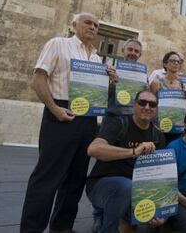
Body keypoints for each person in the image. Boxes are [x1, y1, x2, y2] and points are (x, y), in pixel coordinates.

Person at [20, 12, 117, 233]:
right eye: (88, 23)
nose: (93, 27)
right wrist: (54, 109)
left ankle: (62, 227)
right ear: (74, 25)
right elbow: (38, 78)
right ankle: (31, 229)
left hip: (88, 119)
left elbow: (100, 95)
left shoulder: (96, 58)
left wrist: (111, 82)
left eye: (96, 25)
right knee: (47, 177)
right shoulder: (58, 44)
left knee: (75, 178)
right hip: (60, 113)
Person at [85, 90, 166, 233]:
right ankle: (105, 223)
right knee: (125, 187)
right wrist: (133, 152)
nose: (147, 107)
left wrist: (159, 211)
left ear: (156, 109)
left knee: (148, 224)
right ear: (134, 105)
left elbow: (158, 178)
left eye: (152, 104)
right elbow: (93, 149)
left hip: (135, 193)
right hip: (102, 186)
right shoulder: (119, 123)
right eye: (142, 102)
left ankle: (118, 217)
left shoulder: (157, 135)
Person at [149, 51, 186, 144]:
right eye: (172, 61)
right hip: (159, 127)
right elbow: (149, 103)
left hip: (176, 128)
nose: (176, 63)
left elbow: (184, 108)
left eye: (178, 62)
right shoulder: (157, 82)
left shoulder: (182, 85)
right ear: (165, 64)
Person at [107, 38, 143, 116]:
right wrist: (112, 83)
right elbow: (103, 96)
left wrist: (146, 90)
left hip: (133, 118)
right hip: (113, 117)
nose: (133, 53)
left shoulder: (143, 76)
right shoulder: (111, 70)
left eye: (136, 51)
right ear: (123, 50)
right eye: (130, 49)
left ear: (139, 55)